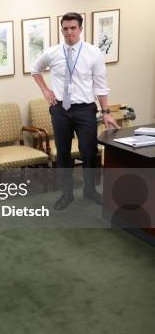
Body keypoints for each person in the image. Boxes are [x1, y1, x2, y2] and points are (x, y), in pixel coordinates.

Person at [31, 12, 119, 210]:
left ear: (80, 29)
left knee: (89, 151)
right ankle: (66, 193)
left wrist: (105, 112)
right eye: (65, 28)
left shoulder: (93, 53)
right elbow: (35, 70)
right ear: (61, 30)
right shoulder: (52, 52)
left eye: (73, 28)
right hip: (60, 109)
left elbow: (100, 85)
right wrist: (46, 90)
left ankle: (90, 190)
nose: (69, 32)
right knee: (63, 153)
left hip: (85, 109)